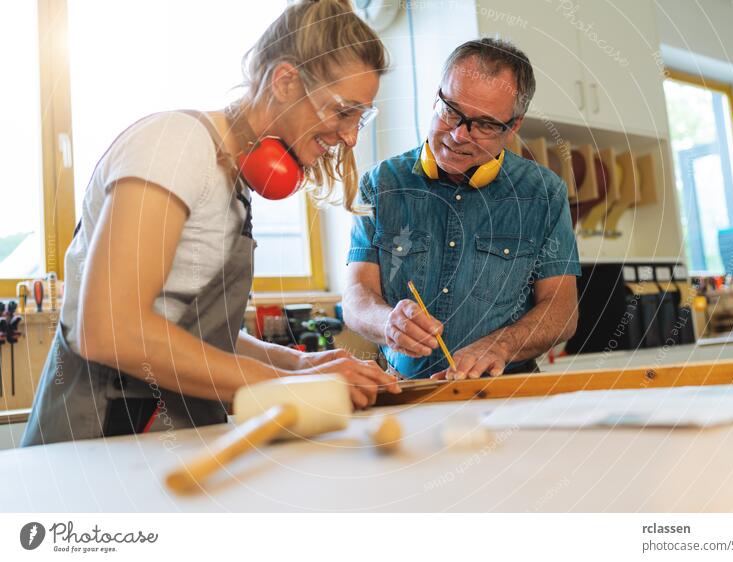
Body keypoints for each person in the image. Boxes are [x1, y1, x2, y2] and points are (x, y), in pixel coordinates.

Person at [22, 0, 399, 447]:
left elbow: (194, 333)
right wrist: (281, 386)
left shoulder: (232, 181)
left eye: (361, 117)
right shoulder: (174, 146)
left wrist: (298, 365)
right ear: (284, 81)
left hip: (167, 443)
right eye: (342, 112)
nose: (351, 137)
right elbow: (109, 329)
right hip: (100, 438)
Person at [343, 38, 580, 380]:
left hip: (506, 393)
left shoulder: (544, 194)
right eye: (451, 110)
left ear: (513, 126)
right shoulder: (380, 185)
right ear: (436, 96)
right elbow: (355, 296)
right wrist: (387, 322)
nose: (457, 135)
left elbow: (562, 310)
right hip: (406, 392)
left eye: (484, 124)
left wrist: (501, 345)